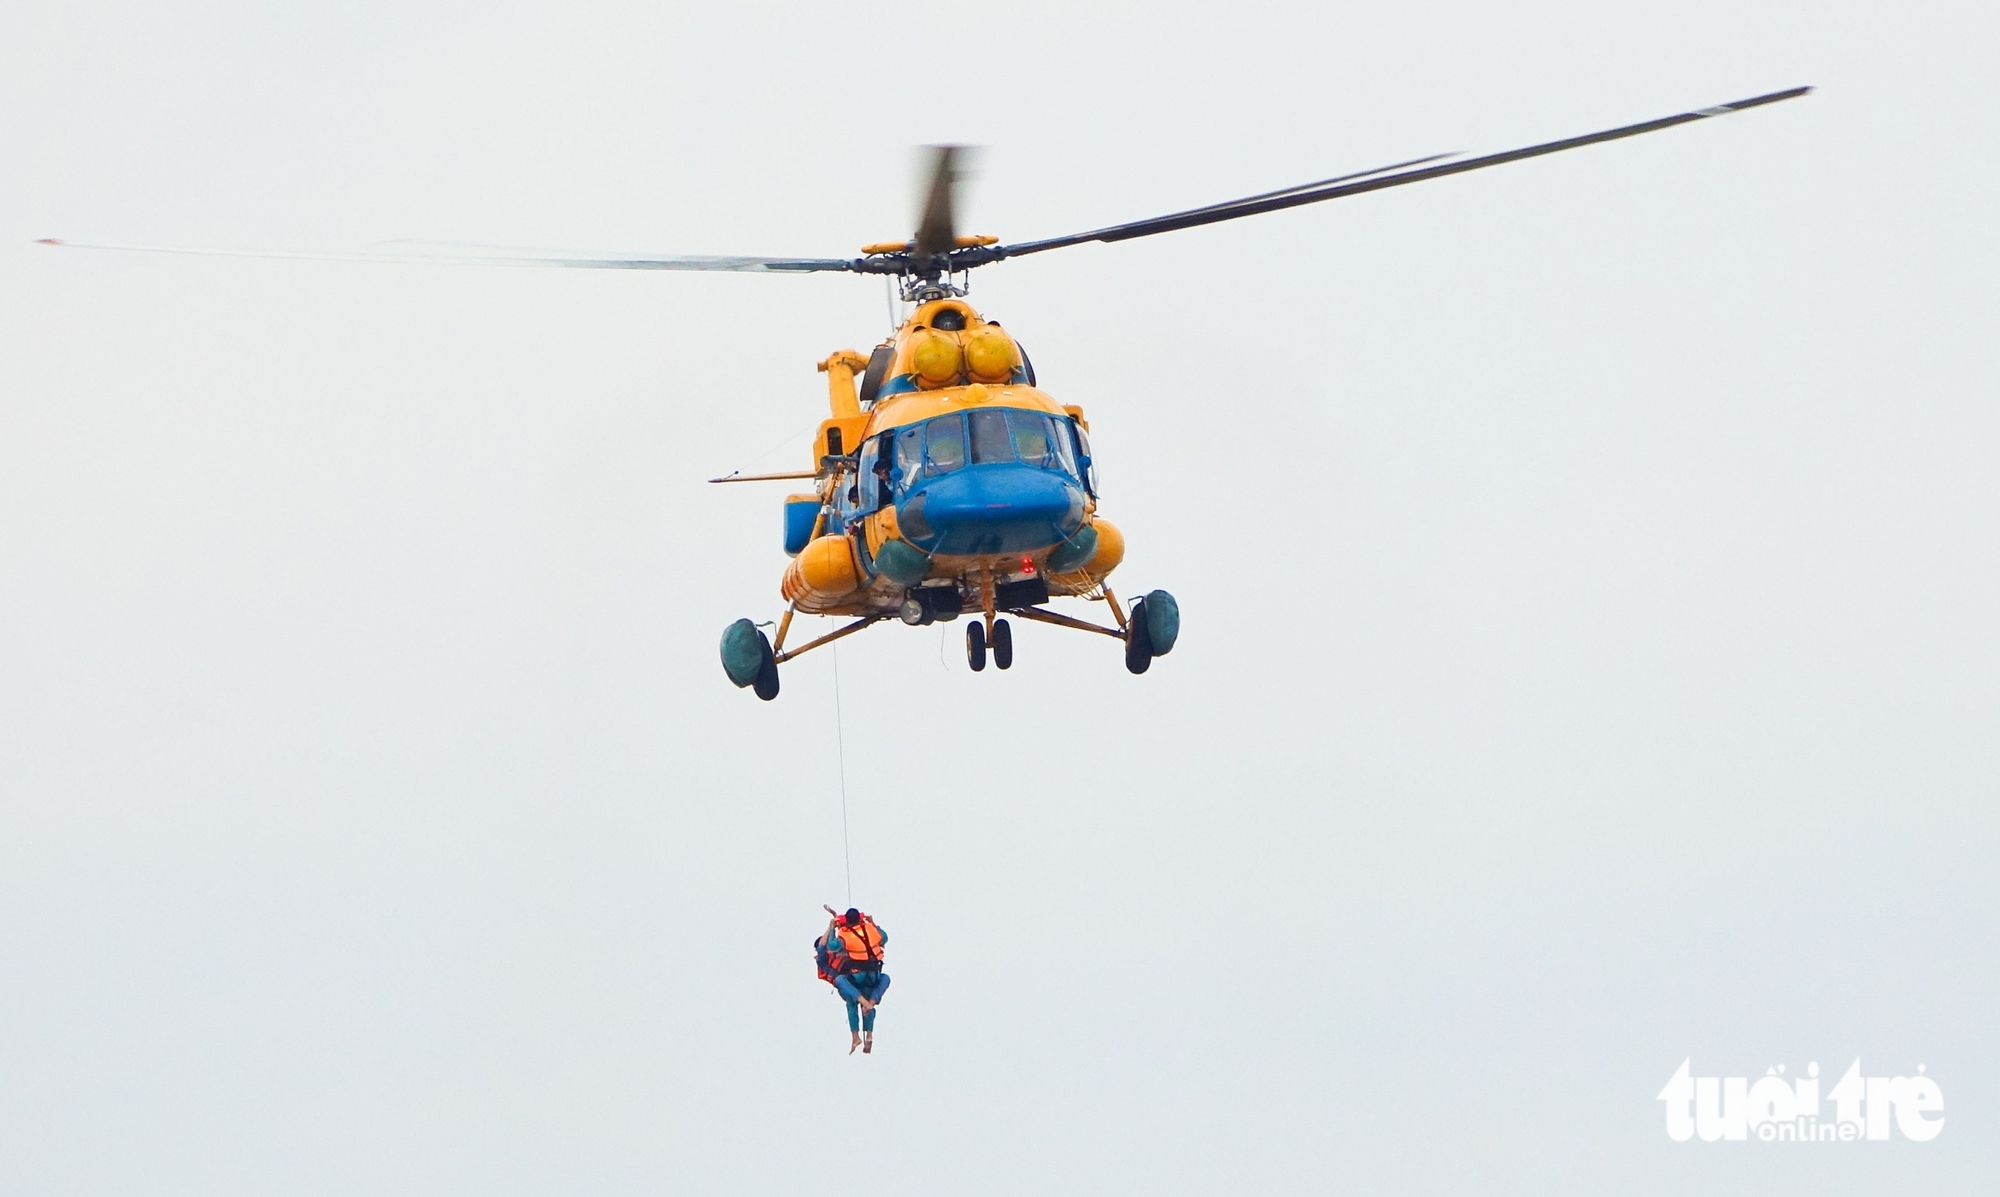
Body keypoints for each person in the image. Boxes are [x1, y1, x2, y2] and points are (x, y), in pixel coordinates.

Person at [816, 907, 890, 1054]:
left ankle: (859, 1029)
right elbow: (884, 938)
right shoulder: (869, 930)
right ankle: (868, 1031)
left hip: (857, 978)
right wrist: (873, 923)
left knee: (849, 993)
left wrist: (832, 928)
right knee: (881, 981)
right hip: (872, 974)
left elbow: (832, 945)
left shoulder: (844, 939)